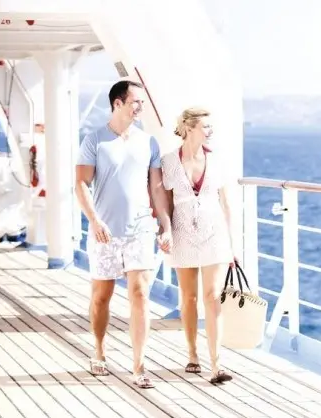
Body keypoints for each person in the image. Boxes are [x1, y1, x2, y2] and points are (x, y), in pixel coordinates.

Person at [75, 80, 172, 389]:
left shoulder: (149, 143)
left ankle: (139, 366)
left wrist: (166, 224)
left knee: (140, 293)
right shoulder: (94, 140)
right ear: (117, 103)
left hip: (140, 229)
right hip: (105, 232)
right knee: (101, 297)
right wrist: (94, 221)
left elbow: (156, 187)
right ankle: (99, 351)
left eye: (142, 102)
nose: (140, 107)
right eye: (135, 102)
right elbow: (81, 184)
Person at [160, 107, 237, 384]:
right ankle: (193, 354)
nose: (210, 131)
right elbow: (164, 203)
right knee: (189, 297)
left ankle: (217, 364)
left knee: (212, 296)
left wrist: (231, 246)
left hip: (214, 234)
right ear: (189, 128)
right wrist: (165, 231)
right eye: (205, 126)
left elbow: (226, 204)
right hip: (182, 233)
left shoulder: (217, 160)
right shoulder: (169, 161)